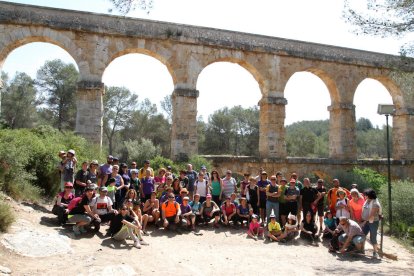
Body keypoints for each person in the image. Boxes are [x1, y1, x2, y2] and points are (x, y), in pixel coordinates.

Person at [361, 189, 382, 258]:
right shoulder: (367, 201)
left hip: (373, 222)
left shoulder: (375, 203)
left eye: (366, 195)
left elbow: (372, 215)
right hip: (366, 221)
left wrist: (364, 222)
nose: (364, 196)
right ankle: (362, 249)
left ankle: (375, 252)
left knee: (373, 237)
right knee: (362, 234)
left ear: (369, 196)